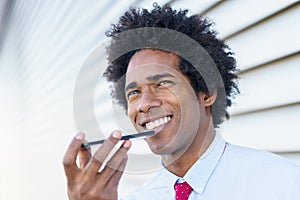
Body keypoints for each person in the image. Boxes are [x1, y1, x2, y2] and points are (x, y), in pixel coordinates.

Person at [63, 3, 300, 200]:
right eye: (134, 92)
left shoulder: (283, 185)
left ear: (206, 93)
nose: (144, 104)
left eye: (162, 83)